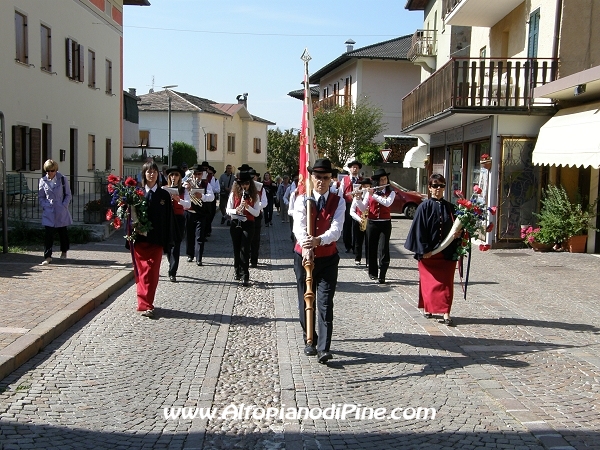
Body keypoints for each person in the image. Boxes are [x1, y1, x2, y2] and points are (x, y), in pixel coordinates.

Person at [293, 158, 345, 364]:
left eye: (325, 178)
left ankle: (324, 347)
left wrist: (318, 241)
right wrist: (307, 245)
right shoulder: (301, 199)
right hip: (303, 256)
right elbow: (299, 225)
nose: (321, 181)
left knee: (324, 303)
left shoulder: (338, 200)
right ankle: (310, 340)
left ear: (331, 179)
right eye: (317, 177)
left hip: (328, 258)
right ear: (311, 178)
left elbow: (336, 229)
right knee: (305, 300)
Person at [404, 174, 462, 327]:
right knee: (429, 283)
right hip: (429, 254)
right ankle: (428, 308)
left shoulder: (451, 207)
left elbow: (458, 228)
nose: (438, 189)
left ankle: (446, 313)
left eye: (441, 185)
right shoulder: (424, 206)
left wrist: (459, 234)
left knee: (447, 284)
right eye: (435, 186)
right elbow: (419, 230)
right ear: (429, 188)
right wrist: (424, 250)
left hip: (447, 253)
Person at [133, 161, 174, 318]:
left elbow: (168, 219)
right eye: (148, 172)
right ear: (144, 174)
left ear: (158, 174)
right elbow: (130, 216)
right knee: (141, 273)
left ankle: (148, 304)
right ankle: (142, 303)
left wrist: (168, 240)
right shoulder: (137, 193)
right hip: (140, 240)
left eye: (154, 172)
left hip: (156, 240)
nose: (152, 174)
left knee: (152, 272)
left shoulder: (164, 195)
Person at [355, 168, 395, 284]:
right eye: (381, 180)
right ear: (377, 181)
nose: (384, 181)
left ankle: (382, 274)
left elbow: (387, 203)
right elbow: (363, 208)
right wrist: (358, 199)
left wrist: (374, 195)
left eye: (385, 179)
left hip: (385, 223)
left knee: (383, 248)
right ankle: (373, 273)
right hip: (372, 223)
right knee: (371, 248)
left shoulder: (391, 192)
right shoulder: (370, 192)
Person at [226, 170, 261, 286]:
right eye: (242, 184)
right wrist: (235, 210)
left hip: (248, 223)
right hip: (236, 222)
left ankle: (245, 274)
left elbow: (257, 213)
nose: (245, 186)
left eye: (247, 183)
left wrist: (247, 207)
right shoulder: (234, 194)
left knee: (245, 249)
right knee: (237, 248)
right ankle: (237, 271)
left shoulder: (254, 195)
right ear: (238, 184)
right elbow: (227, 209)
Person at [38, 159, 73, 265]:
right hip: (49, 210)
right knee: (48, 233)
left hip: (60, 209)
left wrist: (64, 205)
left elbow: (68, 194)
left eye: (52, 170)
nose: (50, 173)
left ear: (56, 170)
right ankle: (48, 256)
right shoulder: (43, 181)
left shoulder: (62, 179)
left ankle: (64, 251)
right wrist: (45, 205)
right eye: (48, 171)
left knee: (62, 232)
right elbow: (41, 196)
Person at [183, 164, 215, 266]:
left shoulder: (206, 184)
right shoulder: (187, 183)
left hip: (201, 213)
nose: (197, 176)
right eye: (195, 174)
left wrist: (202, 196)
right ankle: (190, 254)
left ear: (202, 174)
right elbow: (182, 196)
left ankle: (199, 257)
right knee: (189, 235)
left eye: (199, 174)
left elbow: (212, 197)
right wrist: (186, 189)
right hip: (189, 212)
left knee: (199, 236)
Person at [164, 166, 190, 282]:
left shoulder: (183, 190)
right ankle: (171, 263)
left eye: (176, 175)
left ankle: (173, 271)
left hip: (179, 218)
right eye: (172, 175)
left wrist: (178, 199)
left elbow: (188, 205)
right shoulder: (164, 189)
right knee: (168, 245)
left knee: (177, 244)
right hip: (167, 218)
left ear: (180, 177)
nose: (174, 177)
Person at [338, 160, 363, 253]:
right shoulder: (345, 179)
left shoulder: (361, 180)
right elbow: (341, 193)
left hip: (358, 205)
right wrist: (340, 205)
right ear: (350, 169)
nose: (355, 169)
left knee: (356, 225)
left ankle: (356, 246)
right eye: (353, 167)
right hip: (347, 204)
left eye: (356, 167)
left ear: (359, 169)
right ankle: (348, 245)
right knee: (347, 225)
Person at [350, 178, 372, 266]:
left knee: (369, 242)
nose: (366, 188)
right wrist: (360, 219)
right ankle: (357, 258)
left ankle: (368, 260)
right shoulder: (357, 197)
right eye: (364, 186)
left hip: (369, 221)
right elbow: (351, 211)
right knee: (358, 241)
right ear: (361, 187)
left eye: (368, 186)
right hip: (359, 221)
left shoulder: (371, 196)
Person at [250, 169, 267, 268]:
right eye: (251, 177)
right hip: (246, 215)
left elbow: (264, 202)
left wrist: (255, 206)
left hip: (256, 215)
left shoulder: (261, 189)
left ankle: (254, 260)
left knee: (255, 239)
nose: (253, 179)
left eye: (254, 177)